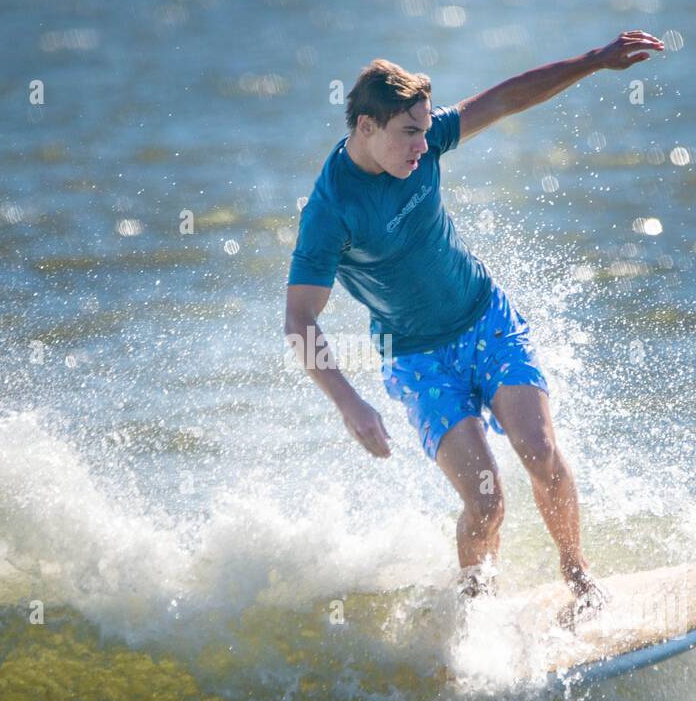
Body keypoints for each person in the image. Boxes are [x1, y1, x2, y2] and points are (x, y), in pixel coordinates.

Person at [283, 31, 665, 610]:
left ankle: (578, 576)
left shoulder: (425, 139)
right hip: (417, 357)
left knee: (538, 451)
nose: (422, 144)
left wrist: (593, 61)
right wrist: (349, 403)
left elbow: (507, 98)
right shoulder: (331, 211)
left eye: (425, 129)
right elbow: (299, 320)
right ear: (365, 127)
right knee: (487, 503)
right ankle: (475, 617)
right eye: (409, 133)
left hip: (486, 321)